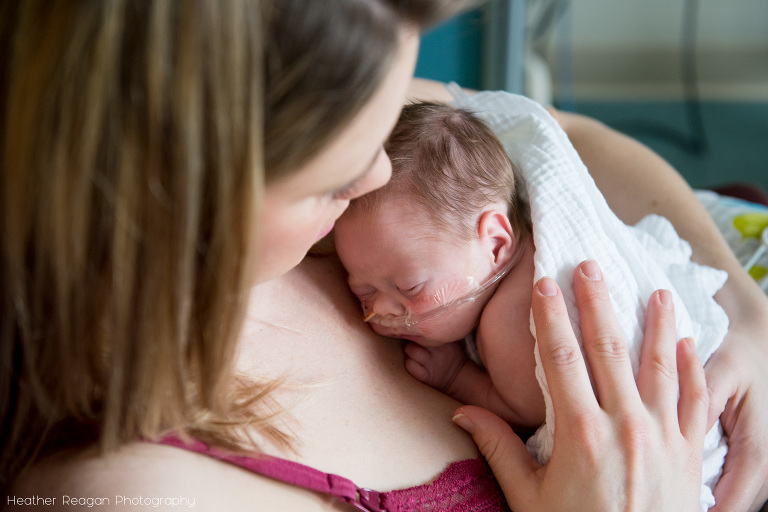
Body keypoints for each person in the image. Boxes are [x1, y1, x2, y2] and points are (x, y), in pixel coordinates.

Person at [1, 2, 766, 512]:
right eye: (337, 178)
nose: (377, 178)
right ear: (173, 193)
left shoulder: (307, 74)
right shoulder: (128, 490)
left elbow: (570, 144)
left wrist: (739, 312)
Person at [334, 101, 546, 434]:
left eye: (409, 287)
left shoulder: (510, 318)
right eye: (364, 289)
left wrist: (457, 375)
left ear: (495, 244)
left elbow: (530, 410)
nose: (380, 308)